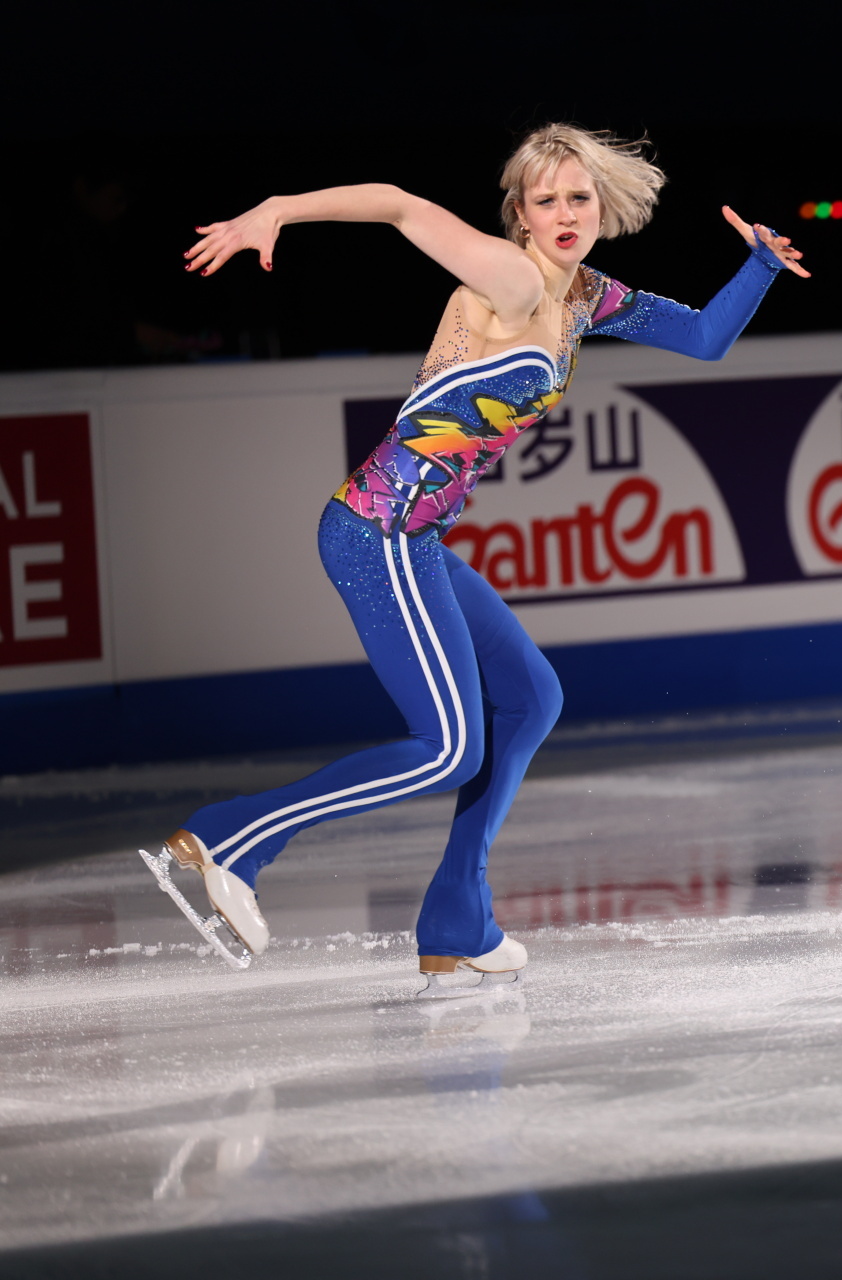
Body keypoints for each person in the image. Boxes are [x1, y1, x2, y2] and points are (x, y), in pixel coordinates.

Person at [144, 125, 807, 991]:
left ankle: (459, 913)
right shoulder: (513, 278)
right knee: (447, 749)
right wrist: (278, 209)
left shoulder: (586, 297)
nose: (564, 213)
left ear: (600, 205)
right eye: (545, 200)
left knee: (530, 697)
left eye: (578, 197)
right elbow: (400, 207)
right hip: (378, 531)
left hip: (415, 539)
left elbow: (704, 339)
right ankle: (235, 837)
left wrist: (758, 265)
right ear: (520, 214)